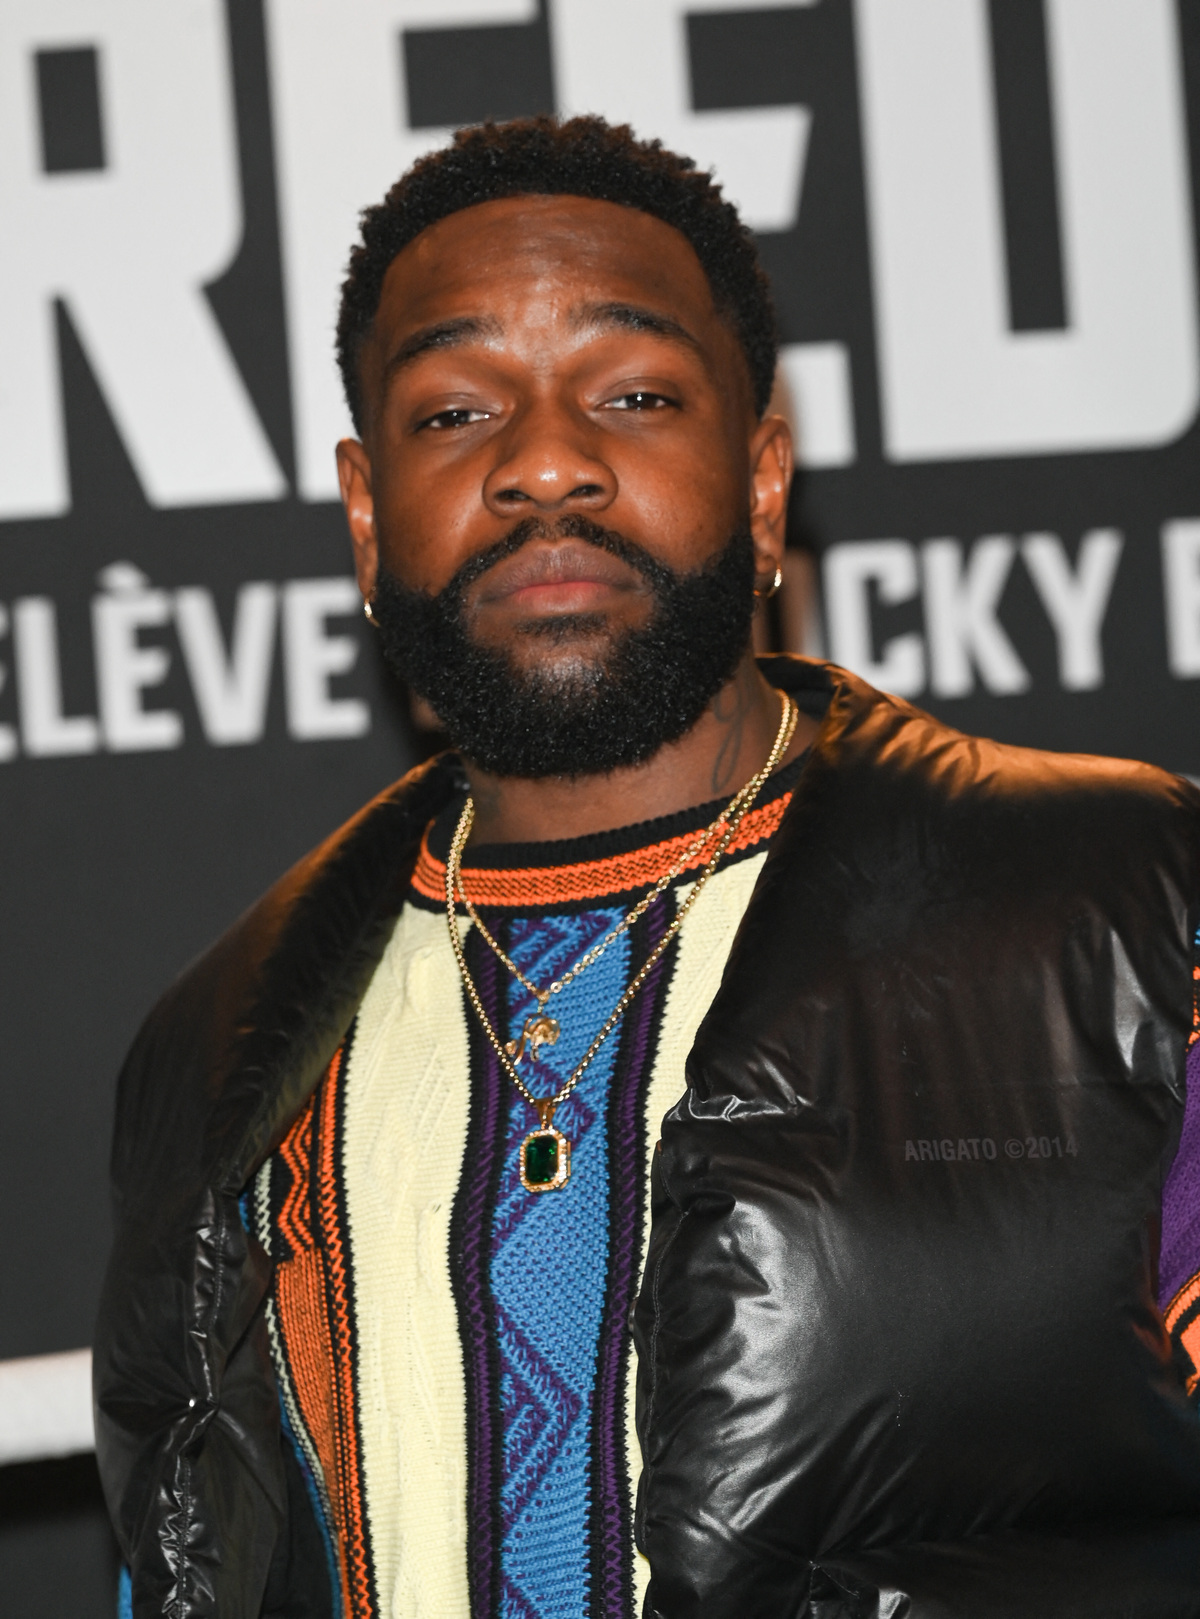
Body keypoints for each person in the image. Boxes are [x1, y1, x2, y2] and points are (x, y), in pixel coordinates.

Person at [94, 116, 1200, 1619]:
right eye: (454, 412)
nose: (547, 463)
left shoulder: (1117, 908)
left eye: (633, 394)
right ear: (366, 516)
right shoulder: (213, 1060)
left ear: (762, 483)